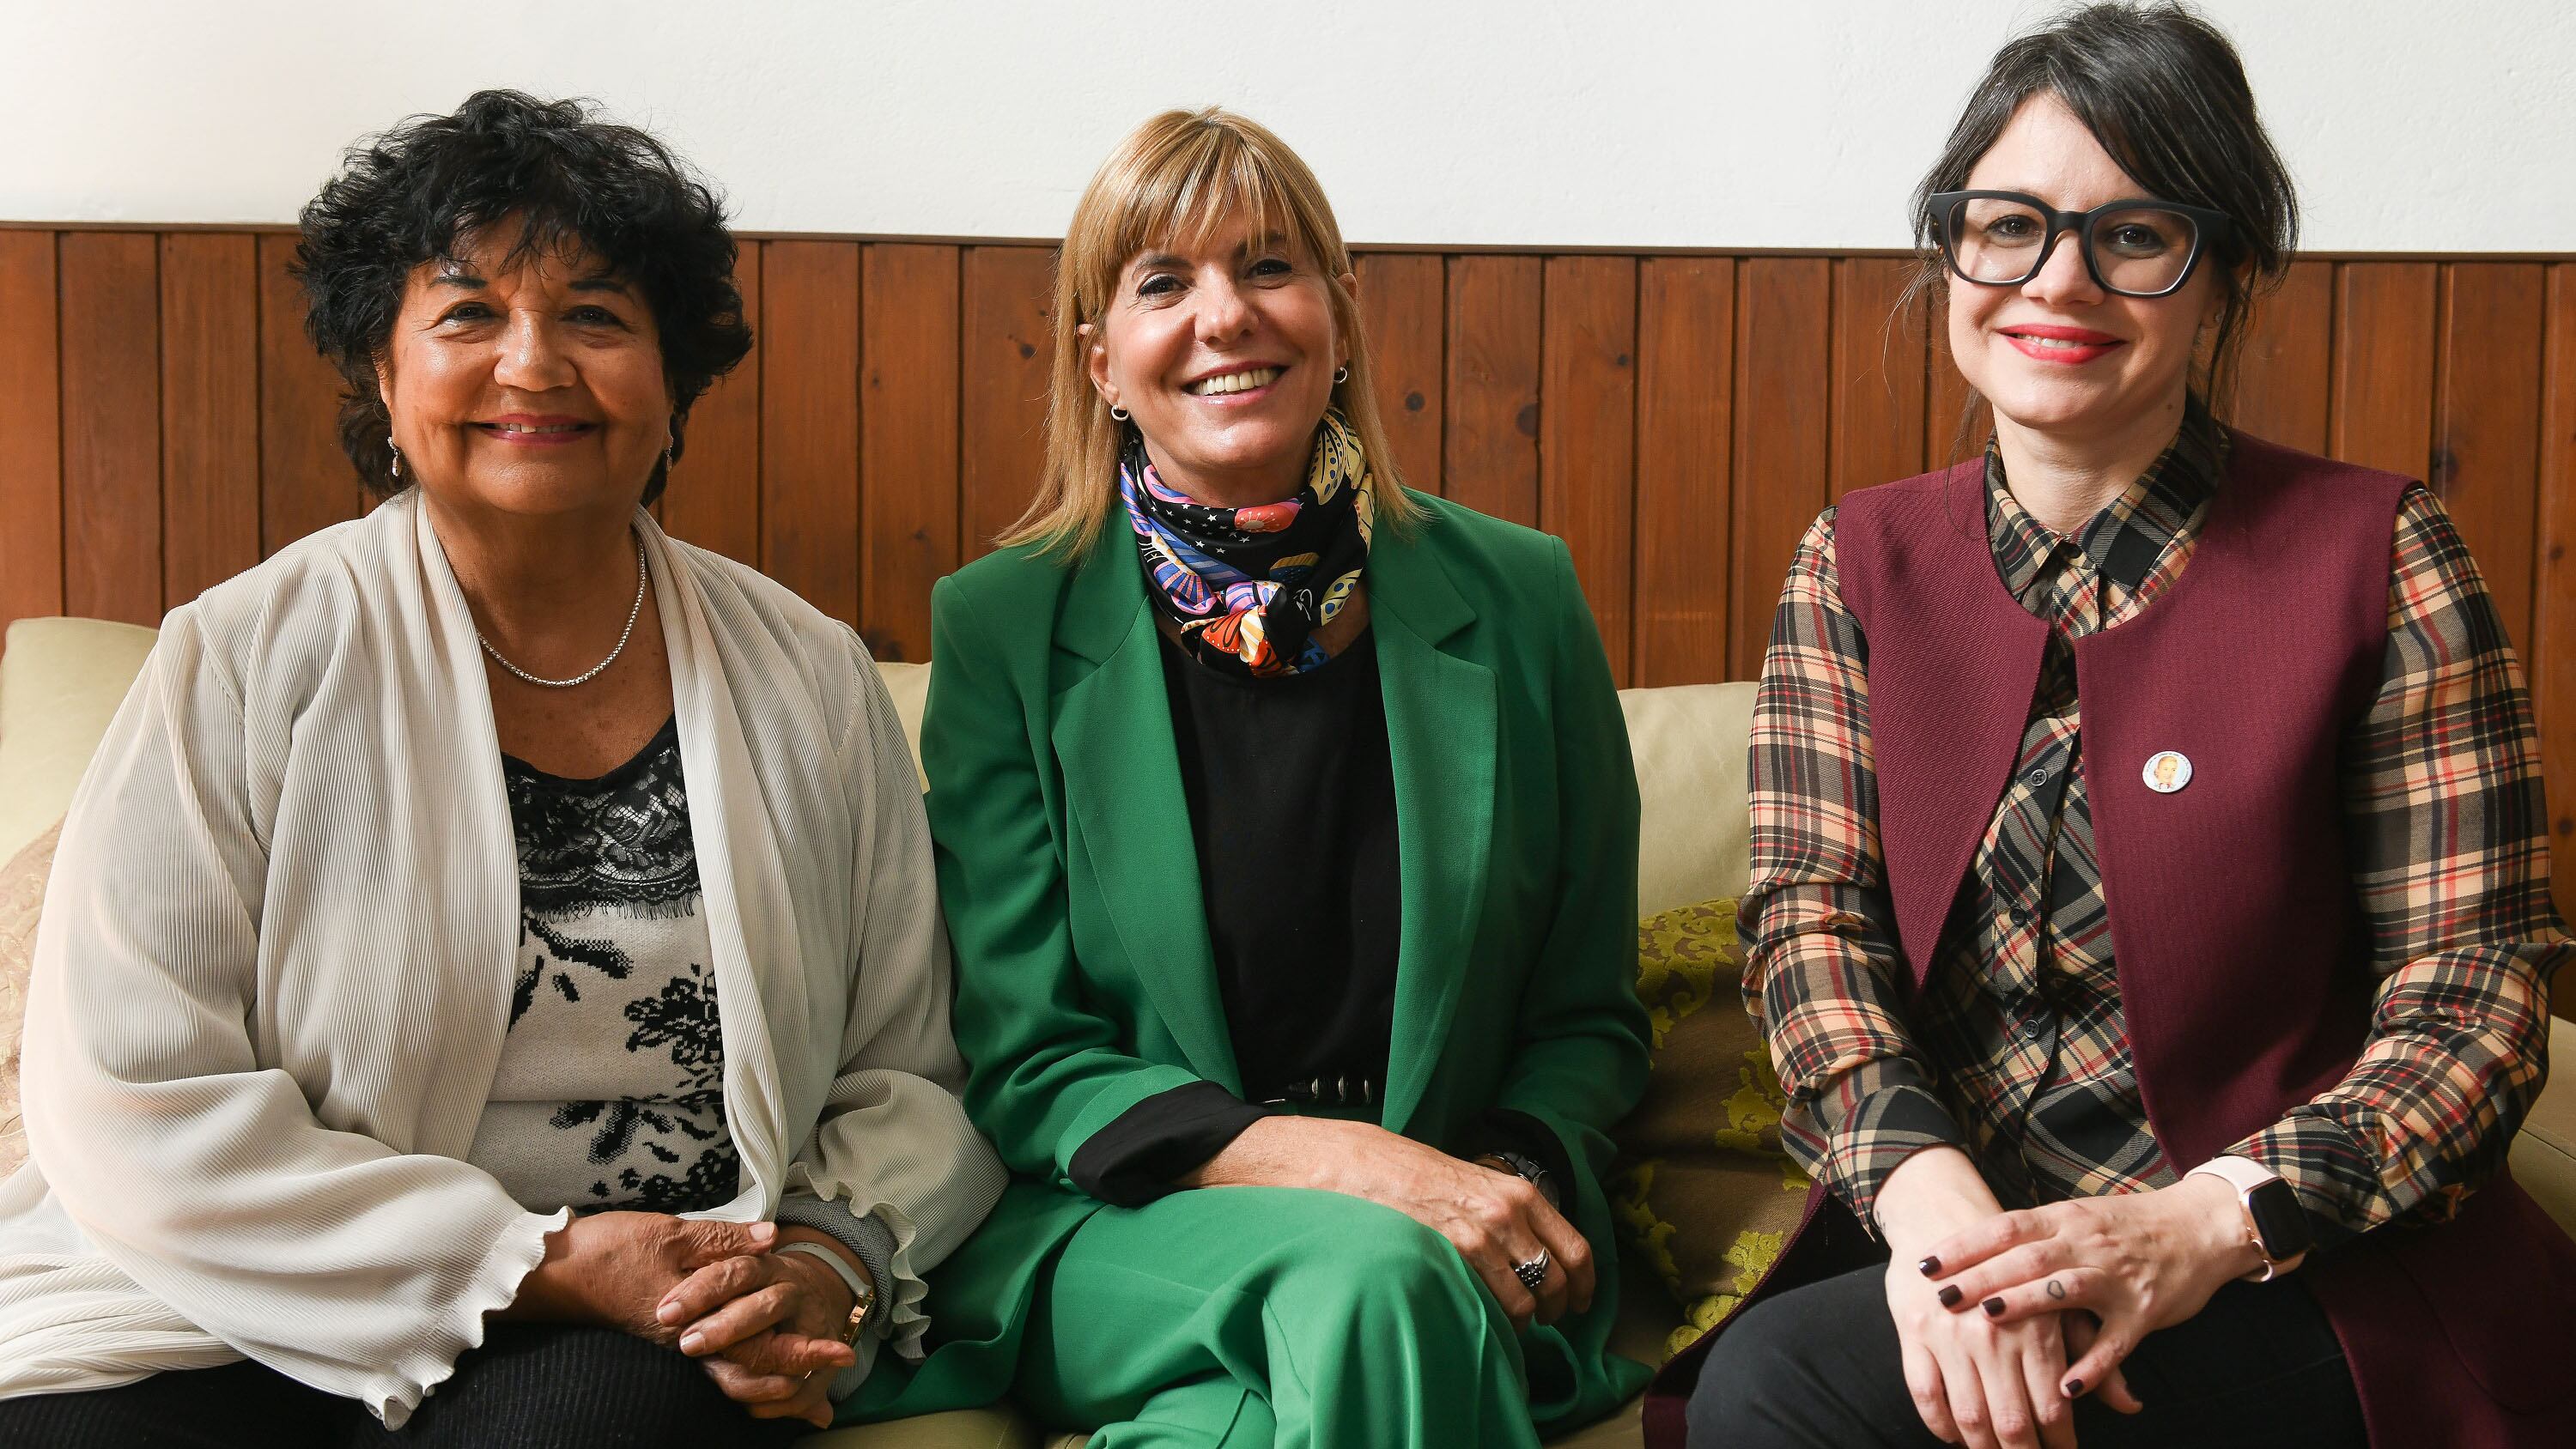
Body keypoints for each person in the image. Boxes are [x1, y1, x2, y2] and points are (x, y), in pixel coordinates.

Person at [0, 90, 1003, 1446]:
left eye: (595, 315)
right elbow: (129, 1094)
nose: (532, 366)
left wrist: (825, 1263)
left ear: (672, 379)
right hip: (233, 1301)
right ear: (382, 371)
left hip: (636, 1325)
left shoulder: (808, 675)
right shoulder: (241, 660)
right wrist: (535, 1259)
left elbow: (908, 1068)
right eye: (468, 313)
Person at [1677, 6, 2575, 1448]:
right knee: (1783, 1376)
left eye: (2135, 235)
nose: (2058, 280)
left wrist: (2198, 1225)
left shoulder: (2385, 556)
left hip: (2302, 1265)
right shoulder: (1853, 563)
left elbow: (2474, 999)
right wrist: (1937, 1226)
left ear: (2225, 274)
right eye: (2008, 227)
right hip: (1967, 1237)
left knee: (1790, 1392)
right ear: (1950, 251)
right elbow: (1811, 926)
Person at [844, 107, 1653, 1446]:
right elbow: (1033, 1057)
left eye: (1269, 266)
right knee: (1387, 1277)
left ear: (1340, 315)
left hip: (1464, 1227)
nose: (1226, 315)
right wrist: (1372, 1178)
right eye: (1164, 283)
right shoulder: (1005, 628)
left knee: (1295, 1376)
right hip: (1129, 1230)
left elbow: (1587, 1018)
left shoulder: (1523, 598)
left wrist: (1499, 1181)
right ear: (1104, 364)